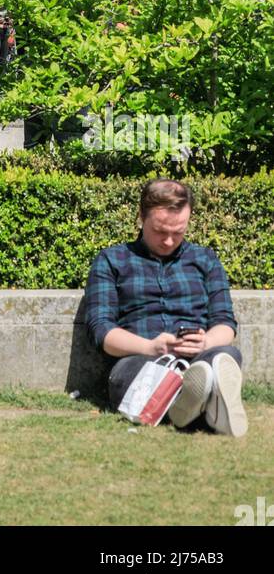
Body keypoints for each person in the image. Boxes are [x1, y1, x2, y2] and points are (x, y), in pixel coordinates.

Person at [85, 179, 246, 436]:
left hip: (197, 359)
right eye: (160, 231)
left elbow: (225, 322)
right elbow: (101, 330)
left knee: (224, 356)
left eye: (179, 231)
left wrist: (204, 343)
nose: (169, 241)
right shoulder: (112, 260)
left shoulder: (205, 260)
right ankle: (205, 405)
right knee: (139, 374)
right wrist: (150, 346)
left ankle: (190, 399)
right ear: (141, 217)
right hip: (140, 357)